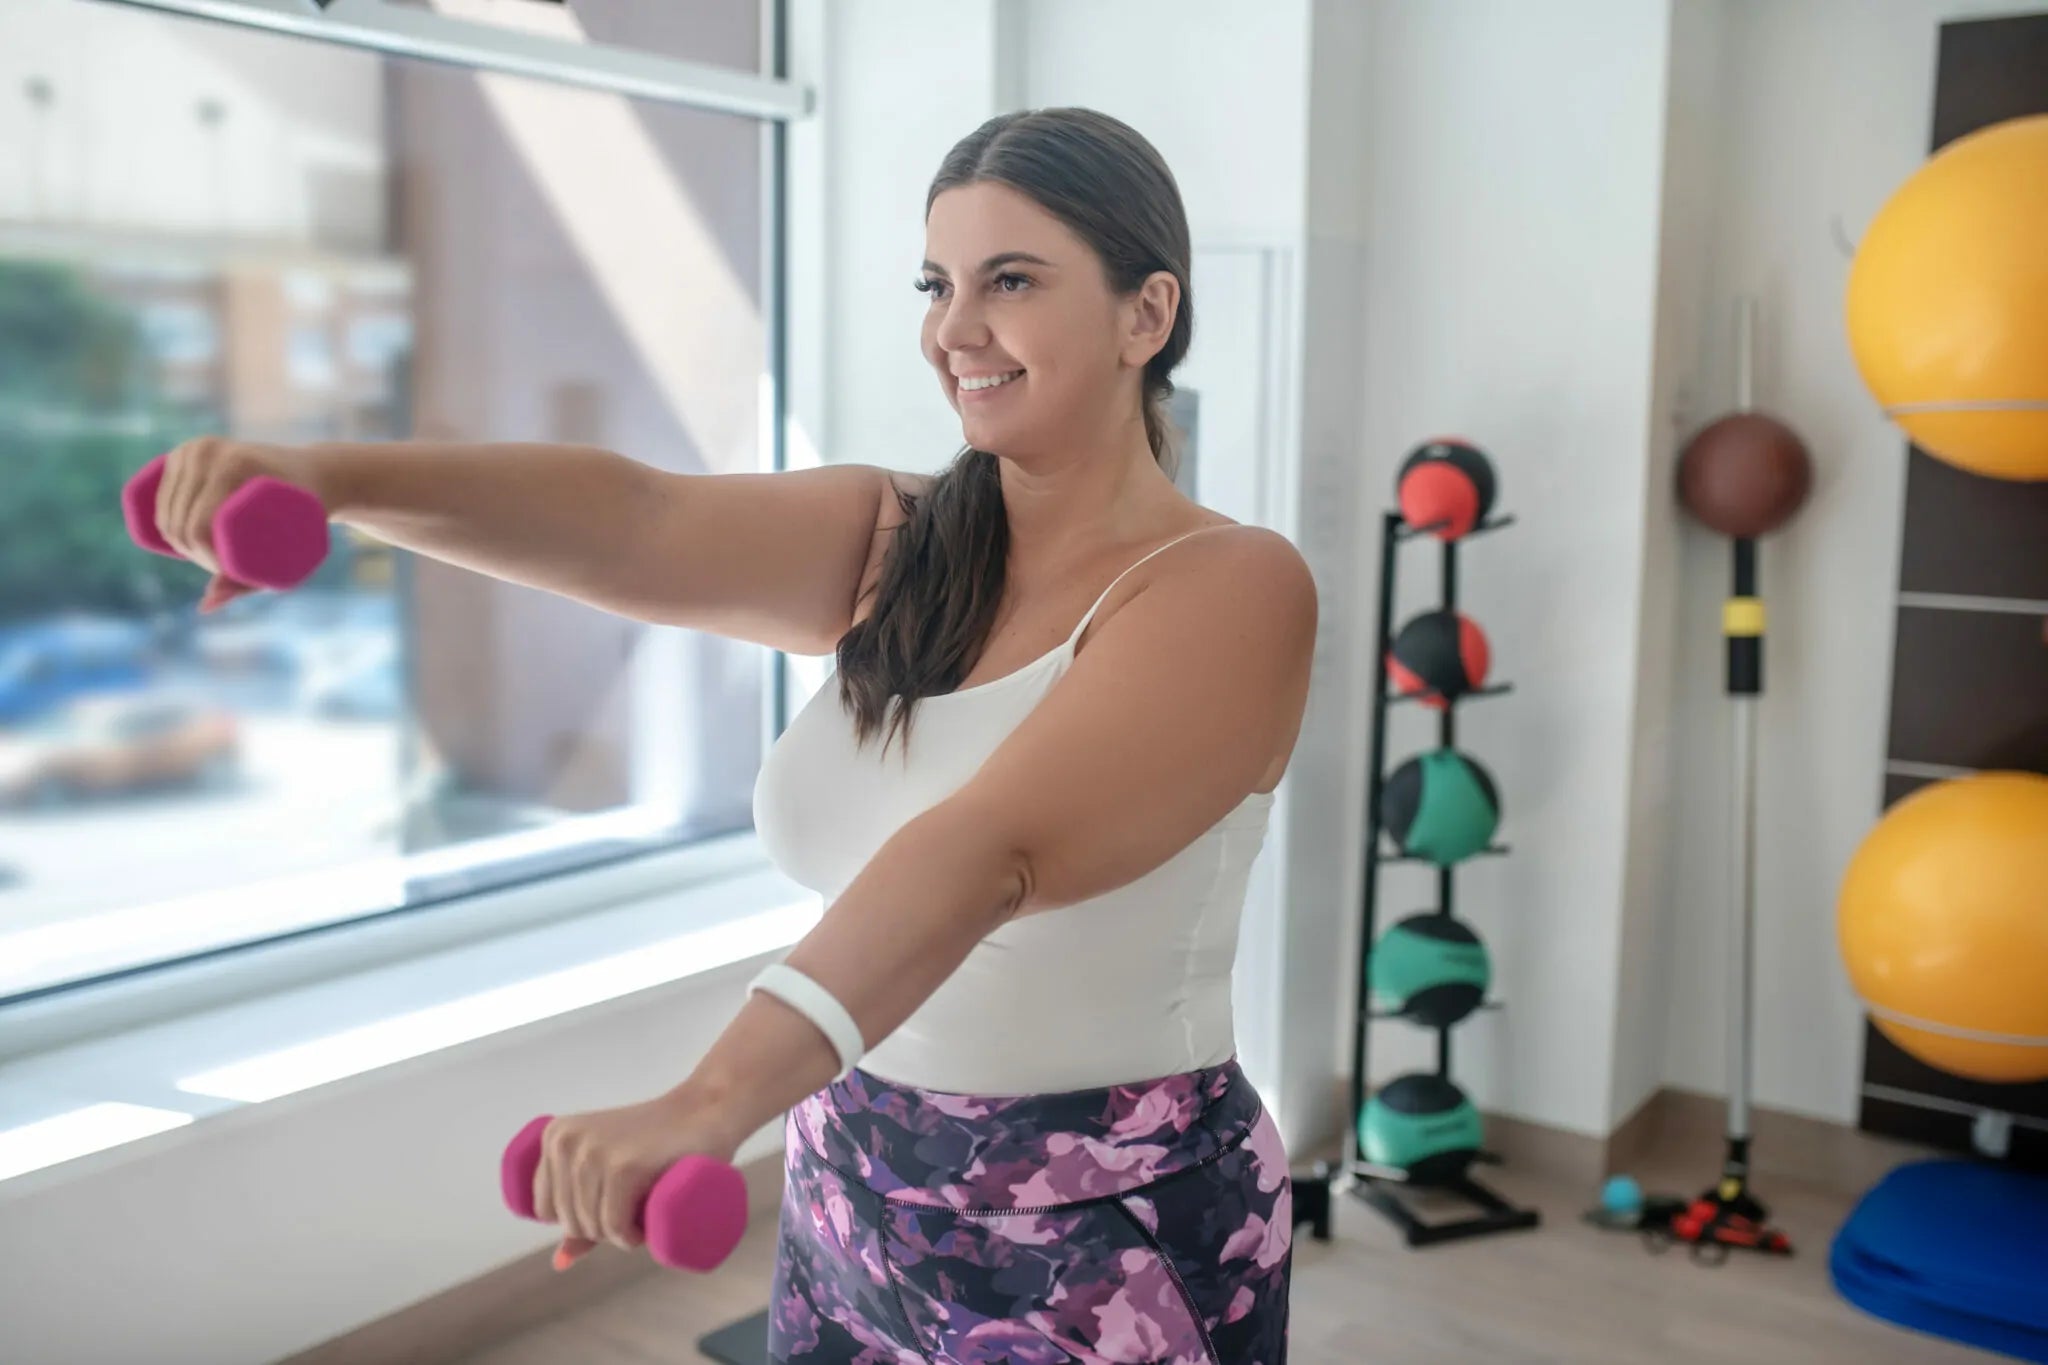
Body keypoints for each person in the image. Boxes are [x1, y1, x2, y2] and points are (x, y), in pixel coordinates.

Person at [150, 106, 1313, 1364]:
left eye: (1011, 281)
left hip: (1109, 1226)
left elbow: (990, 851)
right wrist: (332, 483)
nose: (953, 330)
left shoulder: (1227, 588)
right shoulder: (906, 543)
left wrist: (709, 1102)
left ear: (1147, 314)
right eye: (936, 284)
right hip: (852, 1183)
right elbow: (634, 521)